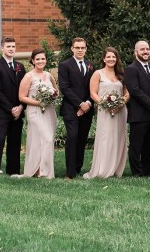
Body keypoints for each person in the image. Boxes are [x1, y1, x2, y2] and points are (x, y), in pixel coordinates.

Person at [84, 47, 130, 179]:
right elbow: (93, 93)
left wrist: (120, 104)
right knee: (105, 138)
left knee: (119, 138)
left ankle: (116, 168)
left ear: (117, 59)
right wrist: (106, 105)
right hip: (104, 111)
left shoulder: (121, 74)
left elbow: (127, 93)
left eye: (113, 57)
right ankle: (103, 169)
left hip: (120, 111)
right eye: (108, 57)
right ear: (104, 59)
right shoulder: (98, 74)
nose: (111, 59)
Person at [0, 36, 25, 175]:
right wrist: (10, 108)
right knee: (0, 139)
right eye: (8, 46)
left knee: (15, 141)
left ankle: (13, 170)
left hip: (18, 110)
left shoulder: (20, 66)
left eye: (13, 46)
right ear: (2, 48)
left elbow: (24, 89)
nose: (11, 49)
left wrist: (21, 107)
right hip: (1, 111)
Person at [18, 48, 58, 178]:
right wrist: (39, 102)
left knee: (46, 139)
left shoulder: (49, 75)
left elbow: (56, 92)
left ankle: (39, 169)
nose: (41, 61)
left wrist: (51, 96)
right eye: (38, 59)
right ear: (33, 61)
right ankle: (42, 171)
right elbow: (22, 97)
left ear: (46, 60)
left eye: (43, 59)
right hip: (34, 111)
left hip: (49, 111)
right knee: (45, 138)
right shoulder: (28, 76)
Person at [58, 37, 95, 179]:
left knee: (82, 138)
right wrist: (80, 104)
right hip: (70, 108)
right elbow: (65, 88)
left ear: (86, 49)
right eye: (77, 47)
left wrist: (88, 104)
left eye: (82, 47)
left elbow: (93, 87)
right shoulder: (64, 65)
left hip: (87, 108)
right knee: (73, 136)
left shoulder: (90, 65)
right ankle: (70, 172)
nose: (80, 50)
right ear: (72, 49)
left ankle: (78, 167)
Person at [124, 40, 150, 177]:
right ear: (136, 52)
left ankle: (147, 170)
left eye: (147, 49)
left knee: (149, 145)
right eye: (142, 49)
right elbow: (134, 90)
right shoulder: (131, 69)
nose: (145, 51)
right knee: (136, 146)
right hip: (139, 113)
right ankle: (137, 172)